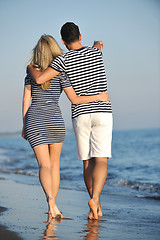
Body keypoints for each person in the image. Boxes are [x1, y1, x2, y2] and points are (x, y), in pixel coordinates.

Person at [27, 22, 113, 220]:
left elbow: (40, 80)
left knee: (86, 163)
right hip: (102, 111)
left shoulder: (62, 61)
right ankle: (96, 201)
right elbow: (99, 45)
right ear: (80, 36)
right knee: (101, 159)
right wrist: (97, 44)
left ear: (63, 42)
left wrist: (31, 68)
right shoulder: (95, 53)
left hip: (81, 113)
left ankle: (93, 203)